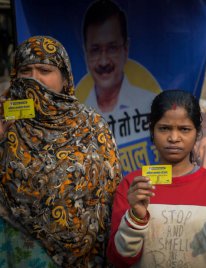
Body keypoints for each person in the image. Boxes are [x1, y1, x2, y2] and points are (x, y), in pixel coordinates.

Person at [0, 36, 121, 267]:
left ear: (64, 78)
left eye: (44, 70)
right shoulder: (5, 122)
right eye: (26, 70)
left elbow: (108, 194)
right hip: (17, 251)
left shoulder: (92, 126)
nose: (34, 78)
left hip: (87, 257)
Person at [107, 90, 206, 267]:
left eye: (184, 129)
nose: (173, 138)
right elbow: (118, 258)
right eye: (164, 128)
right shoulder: (134, 185)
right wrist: (135, 217)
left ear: (197, 133)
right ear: (152, 132)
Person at [81, 0, 159, 149]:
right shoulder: (76, 116)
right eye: (95, 50)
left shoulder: (151, 106)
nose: (103, 61)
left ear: (126, 49)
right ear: (85, 53)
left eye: (112, 48)